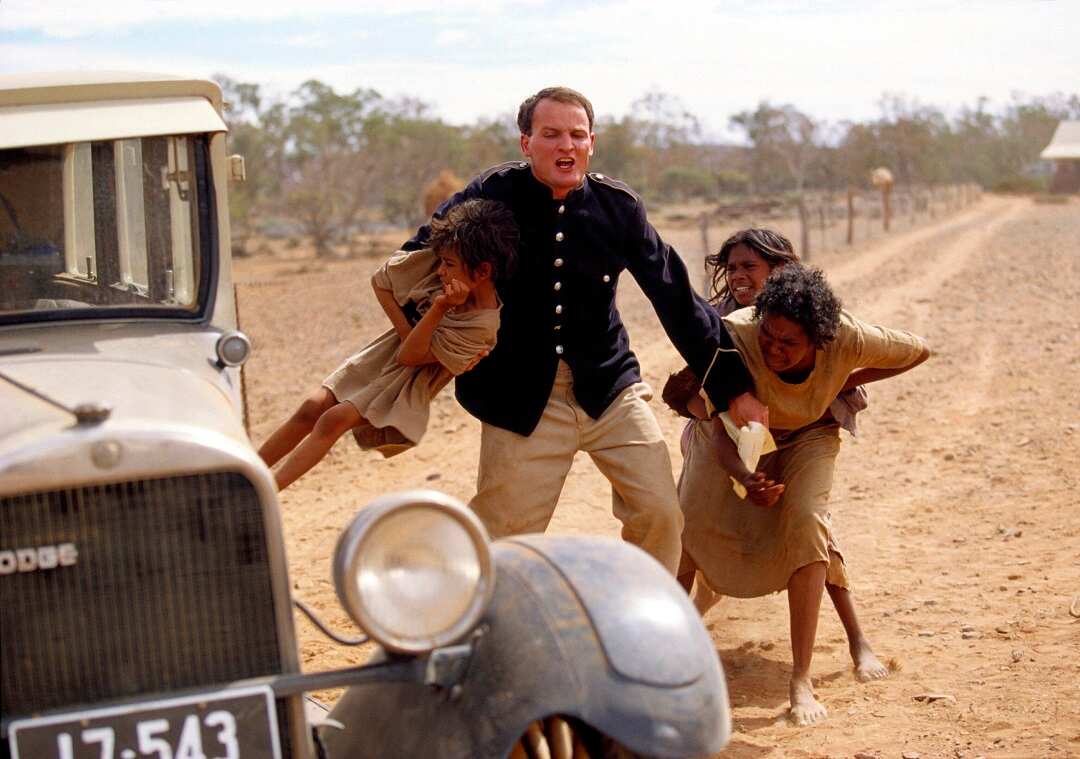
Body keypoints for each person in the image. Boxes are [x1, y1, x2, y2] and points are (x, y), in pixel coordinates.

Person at [395, 86, 766, 574]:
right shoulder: (492, 193)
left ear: (592, 142)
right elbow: (414, 260)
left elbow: (674, 296)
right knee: (501, 535)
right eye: (550, 134)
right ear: (526, 143)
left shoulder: (619, 207)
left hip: (609, 387)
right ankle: (463, 624)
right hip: (519, 396)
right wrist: (435, 329)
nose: (565, 146)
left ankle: (643, 624)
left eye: (576, 135)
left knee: (659, 512)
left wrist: (733, 385)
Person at [670, 264, 929, 726]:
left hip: (811, 436)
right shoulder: (735, 337)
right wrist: (746, 480)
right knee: (686, 521)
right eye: (769, 335)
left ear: (820, 340)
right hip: (737, 436)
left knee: (808, 524)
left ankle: (801, 679)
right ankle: (664, 660)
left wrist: (840, 381)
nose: (774, 349)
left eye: (790, 343)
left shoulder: (847, 338)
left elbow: (918, 351)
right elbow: (717, 426)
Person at [258, 199, 518, 491]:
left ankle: (263, 492)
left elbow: (410, 358)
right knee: (311, 407)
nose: (441, 271)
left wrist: (439, 308)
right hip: (382, 356)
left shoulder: (481, 327)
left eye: (448, 265)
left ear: (482, 272)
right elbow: (381, 280)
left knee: (333, 419)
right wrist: (407, 329)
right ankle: (246, 473)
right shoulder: (446, 264)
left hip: (404, 385)